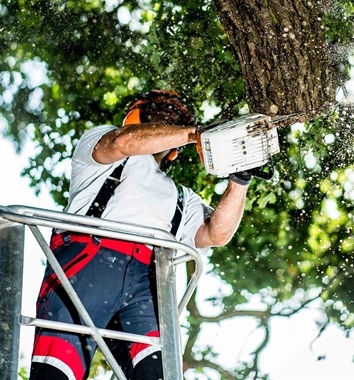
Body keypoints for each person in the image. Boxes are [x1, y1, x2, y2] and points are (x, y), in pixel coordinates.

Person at [29, 90, 253, 380]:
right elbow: (124, 142)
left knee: (159, 372)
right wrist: (194, 133)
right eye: (160, 110)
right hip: (87, 263)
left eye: (177, 116)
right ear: (136, 116)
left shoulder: (184, 197)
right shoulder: (104, 143)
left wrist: (241, 179)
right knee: (56, 370)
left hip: (148, 283)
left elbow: (216, 233)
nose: (170, 115)